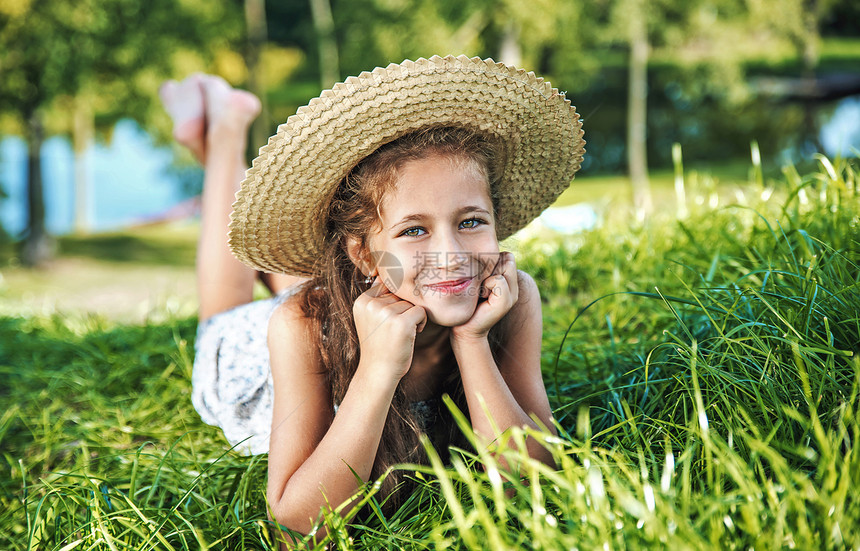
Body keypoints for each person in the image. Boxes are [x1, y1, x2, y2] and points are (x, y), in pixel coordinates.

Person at [160, 55, 585, 542]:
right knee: (226, 303)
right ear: (363, 255)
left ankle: (220, 128)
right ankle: (225, 132)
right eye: (414, 229)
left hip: (377, 286)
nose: (450, 255)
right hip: (262, 350)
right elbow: (299, 524)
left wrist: (473, 340)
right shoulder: (297, 327)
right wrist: (378, 369)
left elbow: (531, 481)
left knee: (354, 279)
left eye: (471, 221)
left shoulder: (511, 298)